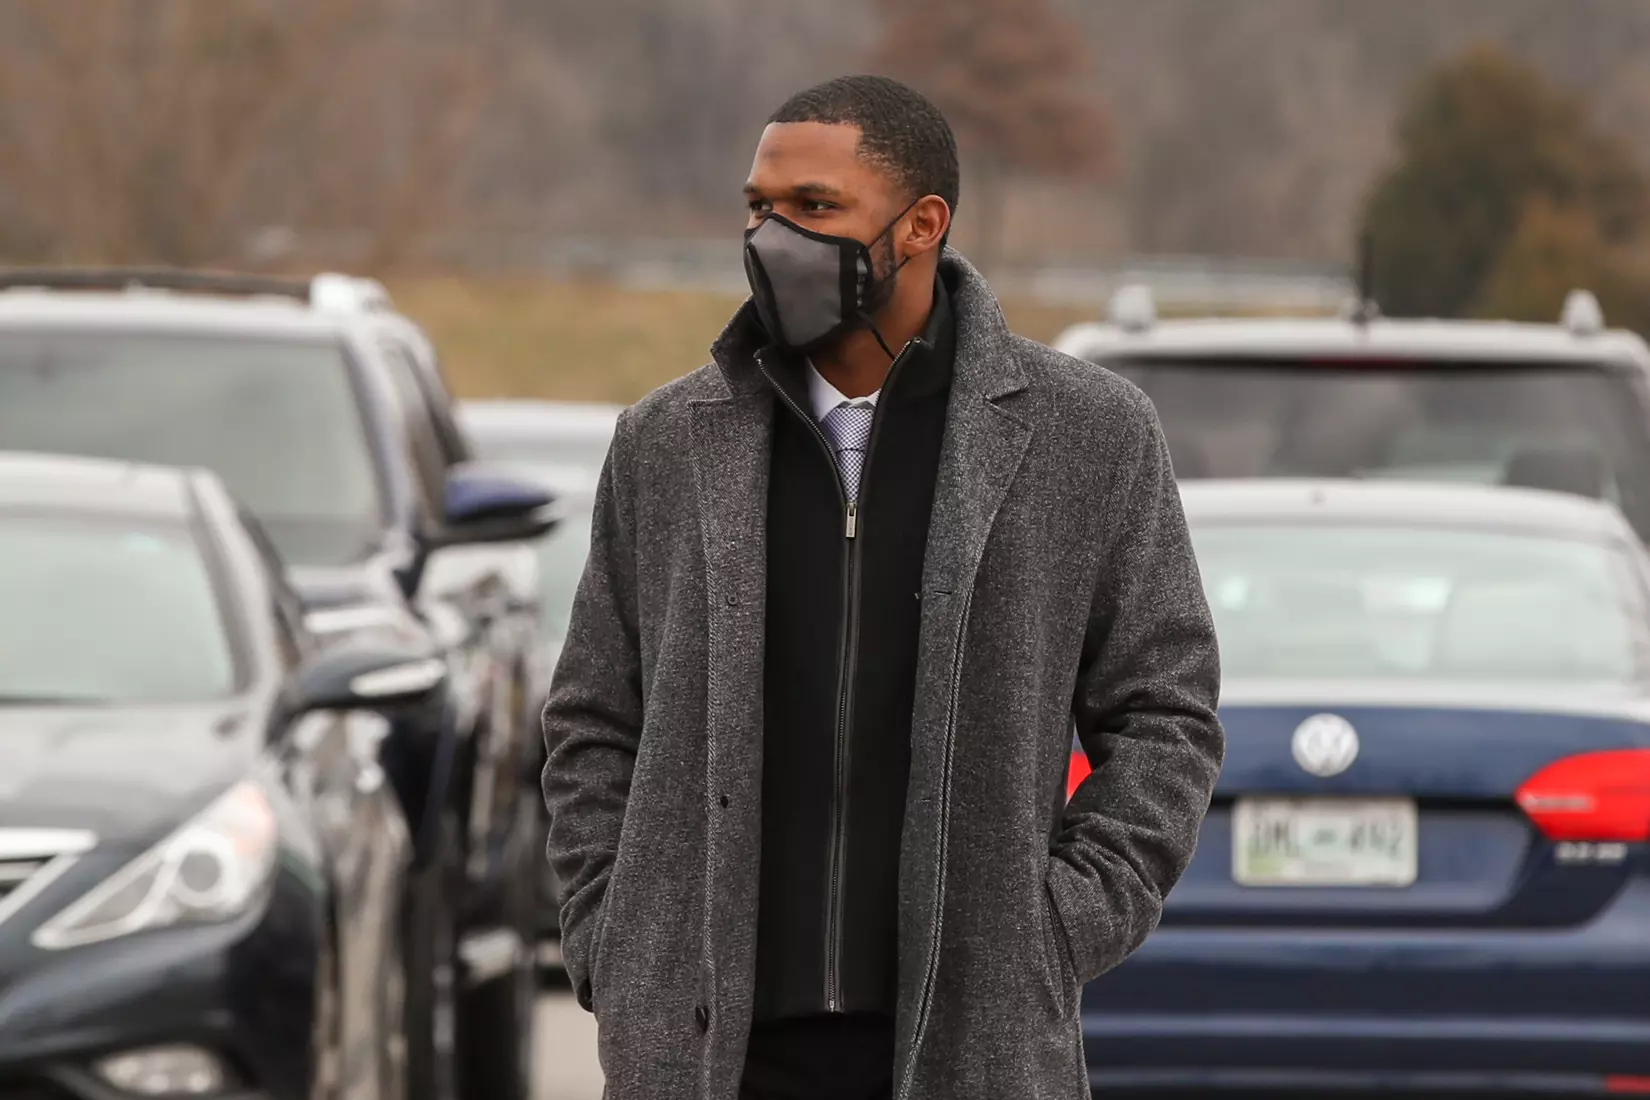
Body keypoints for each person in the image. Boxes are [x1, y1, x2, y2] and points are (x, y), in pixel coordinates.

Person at [543, 74, 1225, 1100]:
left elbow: (1166, 712)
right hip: (711, 1057)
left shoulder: (1089, 433)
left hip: (971, 1045)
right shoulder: (665, 441)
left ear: (922, 225)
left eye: (814, 208)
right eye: (759, 208)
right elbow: (593, 718)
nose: (772, 238)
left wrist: (1059, 926)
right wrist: (616, 936)